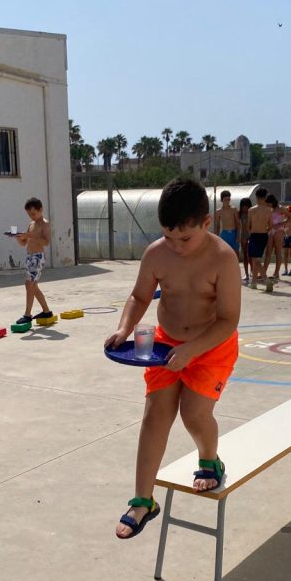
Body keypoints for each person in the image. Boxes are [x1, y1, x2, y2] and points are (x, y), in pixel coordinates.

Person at [106, 178, 241, 539]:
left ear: (206, 223)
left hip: (211, 346)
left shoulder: (223, 259)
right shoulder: (156, 254)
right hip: (166, 344)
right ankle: (142, 500)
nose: (176, 246)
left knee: (194, 414)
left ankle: (209, 459)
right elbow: (139, 296)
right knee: (155, 415)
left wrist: (192, 350)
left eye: (186, 238)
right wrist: (123, 328)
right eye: (168, 236)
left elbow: (228, 319)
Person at [15, 197, 53, 324]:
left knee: (29, 284)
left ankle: (27, 315)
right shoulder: (31, 224)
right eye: (29, 214)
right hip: (29, 256)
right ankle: (46, 311)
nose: (31, 216)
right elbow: (24, 243)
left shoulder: (45, 224)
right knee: (33, 286)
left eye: (33, 213)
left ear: (40, 210)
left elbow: (46, 242)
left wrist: (31, 236)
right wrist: (18, 237)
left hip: (38, 257)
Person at [247, 188, 272, 289]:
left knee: (255, 259)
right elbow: (270, 226)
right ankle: (254, 282)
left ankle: (266, 279)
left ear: (256, 197)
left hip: (254, 235)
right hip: (264, 235)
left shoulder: (251, 210)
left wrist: (251, 232)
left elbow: (248, 226)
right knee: (256, 259)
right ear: (265, 197)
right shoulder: (269, 210)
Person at [214, 190, 241, 261]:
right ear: (221, 200)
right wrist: (216, 237)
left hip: (233, 233)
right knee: (225, 253)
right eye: (225, 199)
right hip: (225, 233)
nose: (227, 201)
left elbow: (238, 223)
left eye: (228, 199)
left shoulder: (233, 209)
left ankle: (236, 267)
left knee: (236, 252)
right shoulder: (218, 212)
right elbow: (217, 226)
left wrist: (238, 235)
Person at [266, 195, 286, 281]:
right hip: (270, 231)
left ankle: (276, 273)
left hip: (278, 231)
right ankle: (263, 272)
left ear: (272, 202)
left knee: (278, 252)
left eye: (269, 203)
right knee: (268, 252)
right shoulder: (268, 209)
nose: (268, 205)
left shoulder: (280, 208)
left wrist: (281, 224)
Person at [238, 197, 252, 283]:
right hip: (243, 235)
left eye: (246, 206)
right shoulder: (239, 214)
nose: (245, 208)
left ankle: (252, 272)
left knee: (251, 256)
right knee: (245, 255)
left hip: (251, 235)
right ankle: (246, 273)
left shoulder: (252, 213)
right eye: (243, 206)